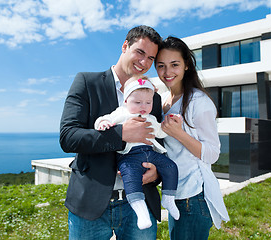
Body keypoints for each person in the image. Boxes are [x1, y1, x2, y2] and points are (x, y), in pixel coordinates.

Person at [60, 25, 163, 240]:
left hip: (140, 203)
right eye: (140, 52)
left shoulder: (153, 97)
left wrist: (157, 172)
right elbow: (68, 137)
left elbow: (161, 144)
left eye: (151, 58)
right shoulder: (87, 82)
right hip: (91, 205)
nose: (144, 63)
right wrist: (121, 134)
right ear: (125, 46)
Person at [155, 36, 230, 240]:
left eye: (174, 65)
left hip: (193, 196)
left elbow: (212, 154)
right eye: (161, 65)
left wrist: (179, 133)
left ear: (186, 65)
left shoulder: (199, 102)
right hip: (175, 193)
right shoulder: (162, 100)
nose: (167, 72)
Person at [94, 75, 179, 230]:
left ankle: (168, 197)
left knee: (170, 167)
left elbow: (159, 133)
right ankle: (141, 213)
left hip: (150, 153)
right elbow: (103, 119)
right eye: (137, 102)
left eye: (148, 102)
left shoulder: (151, 117)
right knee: (131, 179)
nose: (143, 106)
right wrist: (103, 123)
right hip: (129, 156)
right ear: (126, 101)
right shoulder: (122, 113)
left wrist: (169, 125)